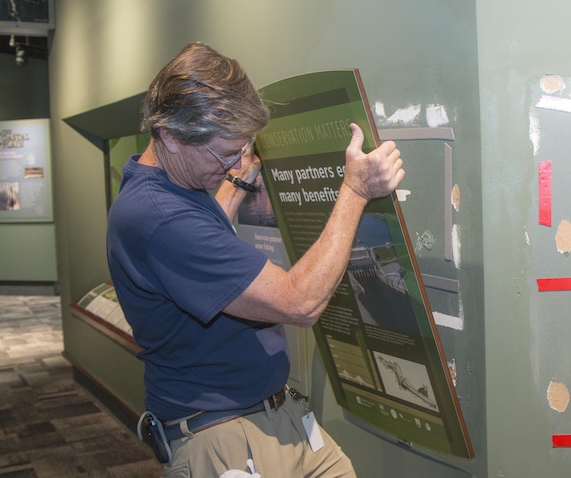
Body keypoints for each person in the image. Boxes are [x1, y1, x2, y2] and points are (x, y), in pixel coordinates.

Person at [106, 42, 405, 478]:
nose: (232, 163)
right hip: (225, 437)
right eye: (224, 153)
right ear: (169, 135)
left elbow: (198, 252)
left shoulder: (171, 188)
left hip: (277, 416)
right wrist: (355, 190)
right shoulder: (158, 215)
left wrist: (234, 189)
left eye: (240, 151)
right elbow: (298, 302)